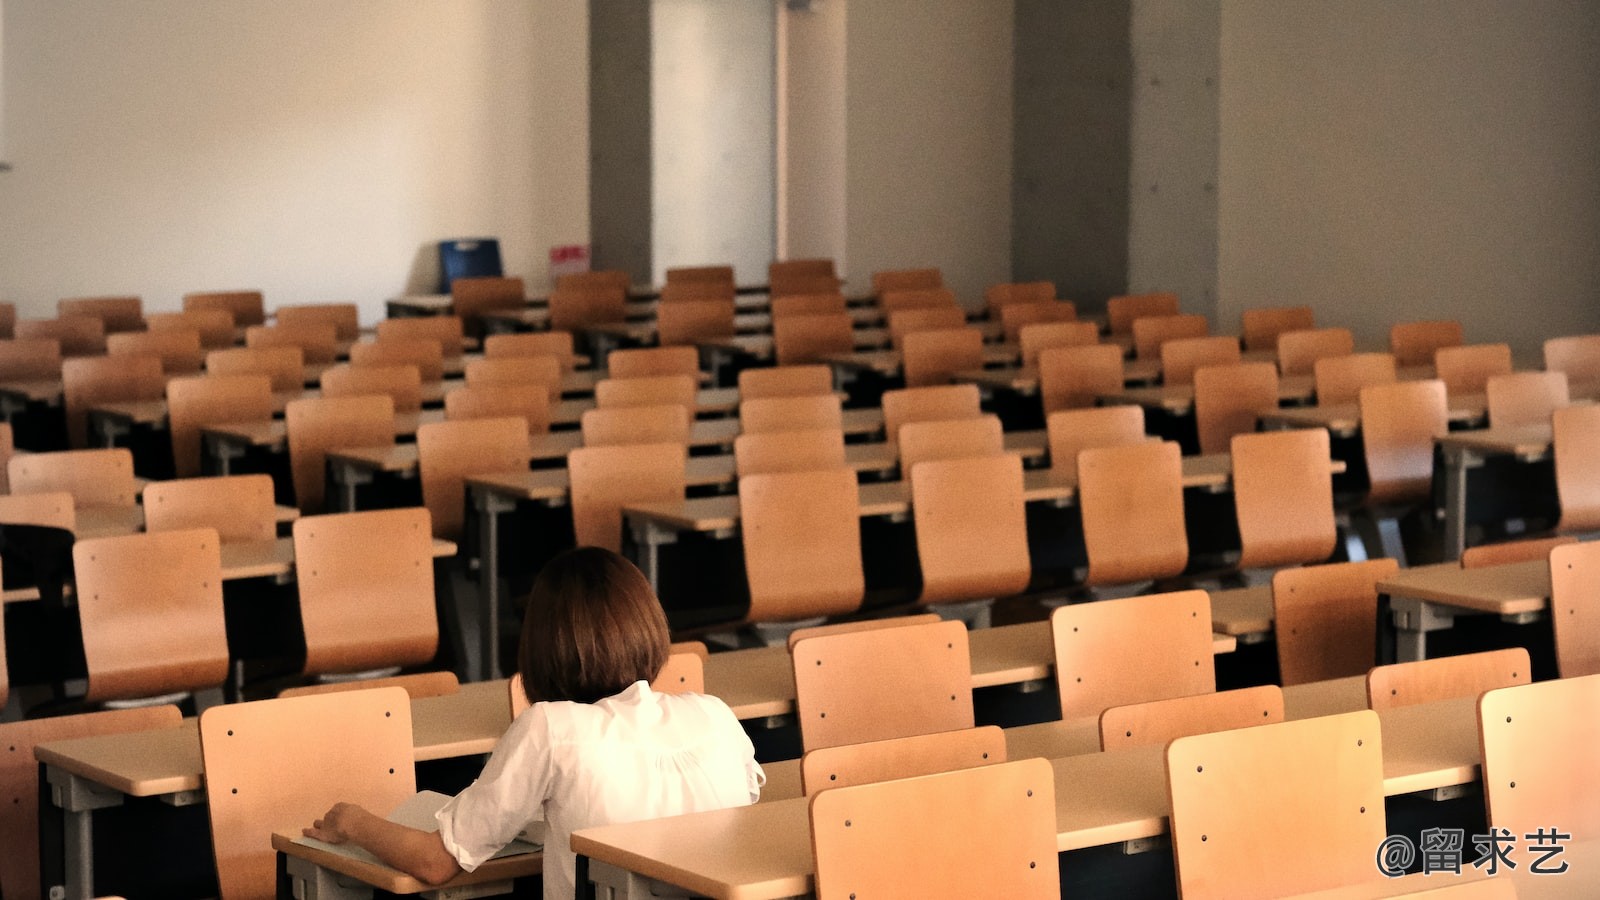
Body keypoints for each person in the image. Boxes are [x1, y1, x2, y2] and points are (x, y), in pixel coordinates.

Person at [304, 547, 765, 899]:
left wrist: (355, 822)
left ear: (544, 645)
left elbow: (436, 863)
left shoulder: (550, 727)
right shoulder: (714, 714)